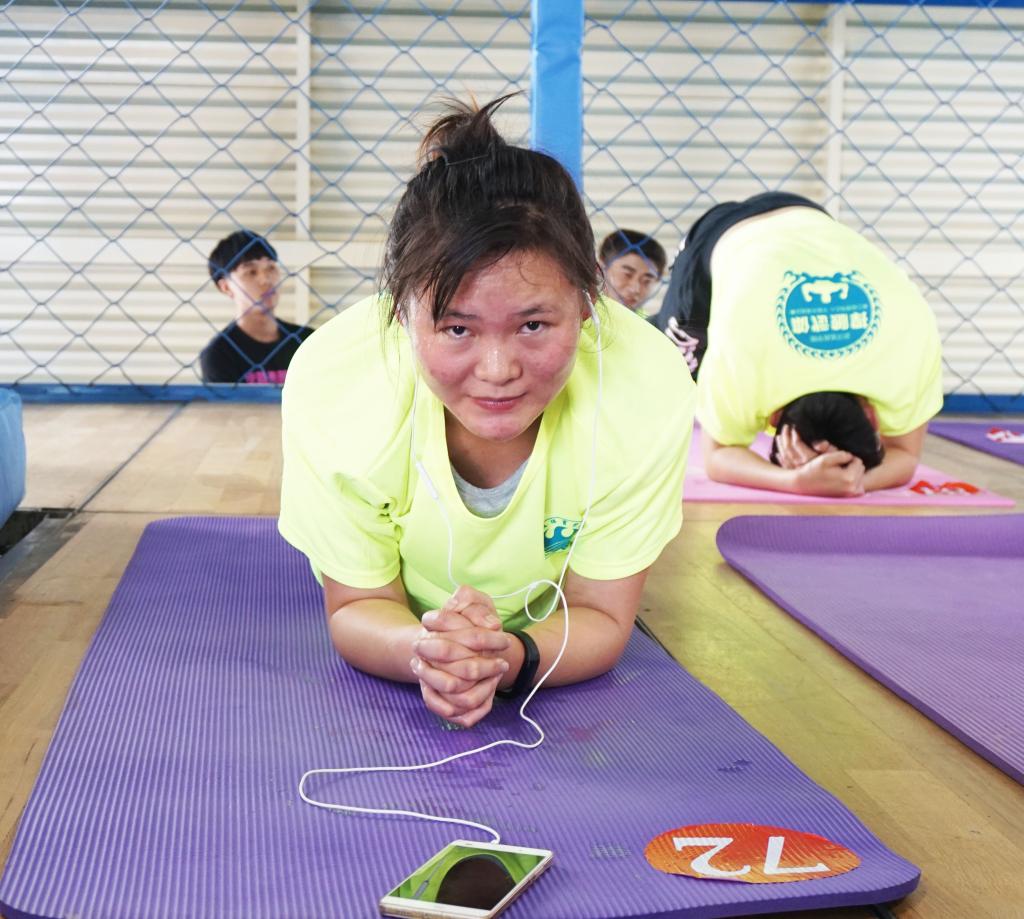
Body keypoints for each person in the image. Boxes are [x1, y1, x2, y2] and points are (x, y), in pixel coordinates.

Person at [278, 96, 694, 729]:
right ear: (400, 311)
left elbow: (602, 615)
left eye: (533, 324)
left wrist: (509, 659)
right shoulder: (339, 383)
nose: (497, 370)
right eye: (457, 329)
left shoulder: (644, 384)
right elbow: (357, 604)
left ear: (588, 301)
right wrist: (427, 653)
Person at [650, 192, 943, 497]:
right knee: (672, 364)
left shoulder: (908, 348)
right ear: (774, 418)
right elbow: (717, 457)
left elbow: (906, 457)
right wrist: (798, 481)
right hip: (720, 234)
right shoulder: (744, 368)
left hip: (805, 214)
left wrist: (842, 481)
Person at [200, 229, 313, 383]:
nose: (266, 280)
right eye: (251, 272)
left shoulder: (307, 340)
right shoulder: (219, 354)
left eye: (271, 268)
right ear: (226, 287)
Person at [597, 229, 666, 314]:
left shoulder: (649, 322)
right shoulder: (583, 317)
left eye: (647, 281)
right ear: (601, 268)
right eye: (627, 275)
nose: (635, 289)